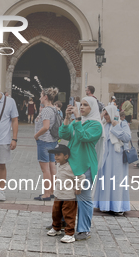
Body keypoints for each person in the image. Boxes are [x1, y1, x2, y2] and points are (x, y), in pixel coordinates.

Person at [58, 96, 103, 241]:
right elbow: (63, 135)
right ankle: (64, 223)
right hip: (71, 164)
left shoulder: (96, 125)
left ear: (92, 108)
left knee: (83, 197)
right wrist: (66, 118)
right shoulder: (78, 121)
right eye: (81, 104)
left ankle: (84, 229)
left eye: (85, 105)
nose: (81, 107)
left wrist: (77, 119)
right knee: (67, 195)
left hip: (85, 164)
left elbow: (83, 136)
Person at [94, 105, 131, 215]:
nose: (105, 116)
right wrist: (101, 116)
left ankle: (118, 207)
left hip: (117, 160)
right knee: (105, 181)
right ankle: (105, 205)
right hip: (105, 159)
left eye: (107, 114)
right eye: (104, 114)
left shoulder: (122, 123)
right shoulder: (104, 124)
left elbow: (127, 138)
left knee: (117, 182)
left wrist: (116, 126)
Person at [46, 144, 83, 244]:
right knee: (56, 213)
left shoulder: (71, 167)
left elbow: (81, 176)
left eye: (58, 154)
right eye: (55, 155)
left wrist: (78, 188)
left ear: (66, 156)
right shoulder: (58, 164)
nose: (56, 157)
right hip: (58, 194)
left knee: (69, 215)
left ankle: (69, 234)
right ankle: (56, 228)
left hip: (69, 196)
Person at [33, 87, 60, 201]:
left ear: (46, 97)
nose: (39, 97)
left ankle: (46, 194)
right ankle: (52, 191)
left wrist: (36, 135)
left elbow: (46, 127)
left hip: (44, 141)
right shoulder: (54, 109)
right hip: (53, 141)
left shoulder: (46, 110)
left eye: (41, 95)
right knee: (52, 167)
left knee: (45, 170)